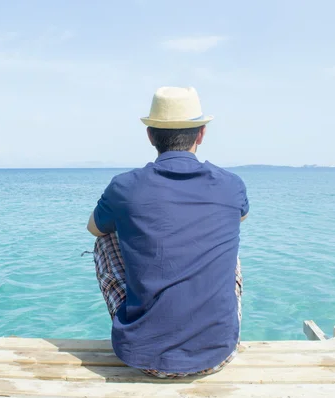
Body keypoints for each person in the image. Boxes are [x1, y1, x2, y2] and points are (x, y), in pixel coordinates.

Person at [86, 86, 249, 378]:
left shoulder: (124, 186)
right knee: (226, 236)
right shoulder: (231, 184)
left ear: (150, 135)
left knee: (106, 238)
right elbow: (241, 217)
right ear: (201, 134)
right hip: (220, 353)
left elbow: (93, 228)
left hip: (142, 357)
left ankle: (146, 323)